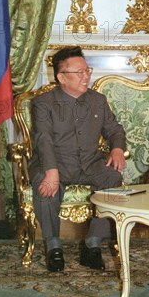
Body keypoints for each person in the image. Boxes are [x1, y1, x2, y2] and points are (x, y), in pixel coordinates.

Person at [29, 46, 126, 273]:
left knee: (113, 179)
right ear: (62, 77)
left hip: (90, 163)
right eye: (79, 72)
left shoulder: (98, 100)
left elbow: (115, 129)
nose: (86, 76)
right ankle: (53, 246)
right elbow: (43, 140)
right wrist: (51, 172)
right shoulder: (43, 103)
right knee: (46, 188)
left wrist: (117, 149)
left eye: (87, 70)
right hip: (54, 162)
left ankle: (91, 245)